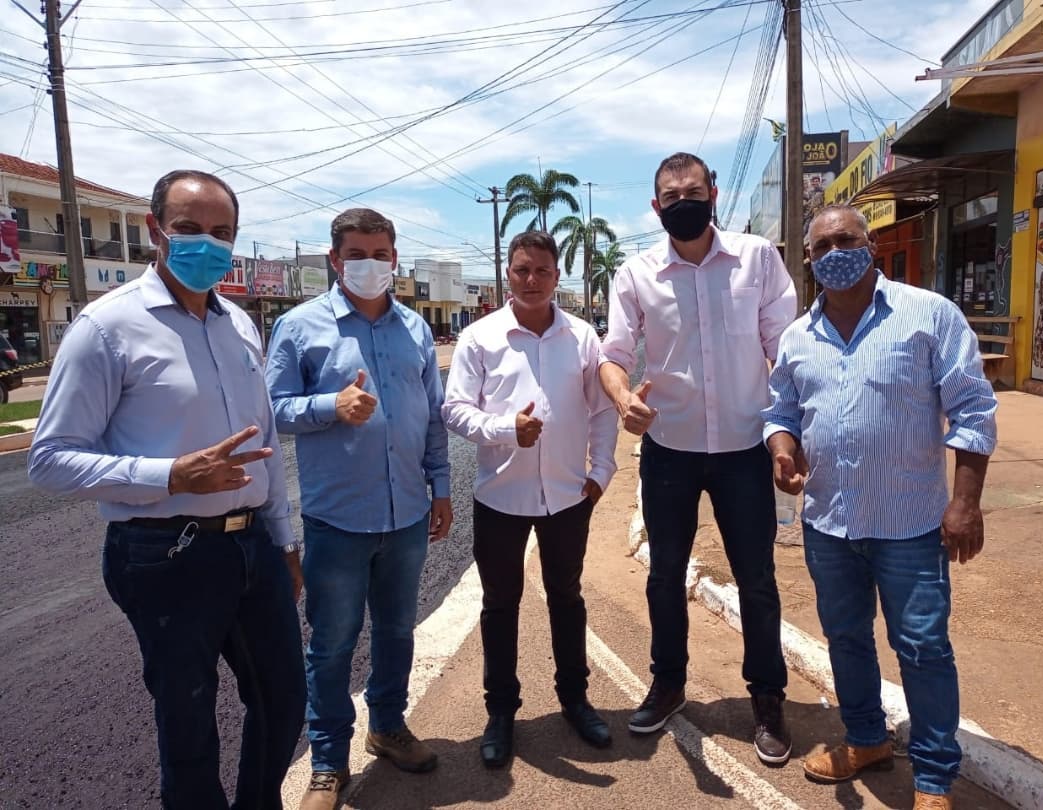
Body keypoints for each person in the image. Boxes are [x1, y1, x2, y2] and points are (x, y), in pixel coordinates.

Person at [27, 170, 305, 810]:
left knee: (284, 696)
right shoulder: (106, 328)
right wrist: (170, 474)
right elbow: (50, 459)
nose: (206, 244)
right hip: (165, 552)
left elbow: (263, 442)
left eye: (221, 233)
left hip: (252, 548)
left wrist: (284, 544)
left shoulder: (239, 323)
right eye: (188, 229)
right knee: (188, 722)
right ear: (156, 232)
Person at [762, 204, 997, 810]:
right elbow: (781, 411)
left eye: (848, 239)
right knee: (845, 637)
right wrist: (782, 449)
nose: (836, 251)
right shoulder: (795, 338)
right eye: (823, 245)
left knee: (921, 646)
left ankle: (935, 777)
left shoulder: (928, 316)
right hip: (829, 522)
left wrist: (965, 503)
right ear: (808, 261)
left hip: (911, 523)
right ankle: (867, 738)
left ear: (870, 246)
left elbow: (973, 410)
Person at [599, 151, 796, 764]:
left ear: (713, 193)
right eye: (671, 195)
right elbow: (613, 351)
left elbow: (784, 352)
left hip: (743, 450)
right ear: (656, 207)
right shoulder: (636, 275)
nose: (683, 201)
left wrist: (789, 431)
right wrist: (623, 396)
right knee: (664, 578)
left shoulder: (758, 259)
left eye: (693, 190)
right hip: (669, 453)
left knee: (758, 581)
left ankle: (767, 696)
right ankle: (669, 683)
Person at [265, 207, 451, 809]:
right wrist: (329, 407)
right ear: (333, 258)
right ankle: (326, 762)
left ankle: (387, 726)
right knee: (332, 643)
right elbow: (270, 412)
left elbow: (433, 419)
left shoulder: (416, 330)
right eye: (356, 254)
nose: (368, 264)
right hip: (337, 521)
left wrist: (441, 485)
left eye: (379, 253)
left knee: (398, 631)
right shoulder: (298, 327)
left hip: (406, 518)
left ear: (394, 258)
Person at [443, 230, 618, 768]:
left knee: (567, 597)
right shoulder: (479, 338)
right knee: (500, 605)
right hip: (501, 497)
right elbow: (453, 409)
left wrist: (602, 471)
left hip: (568, 496)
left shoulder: (584, 338)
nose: (532, 280)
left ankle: (575, 699)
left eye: (542, 270)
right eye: (522, 270)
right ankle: (501, 713)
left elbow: (602, 409)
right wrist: (503, 429)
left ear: (556, 276)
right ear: (507, 275)